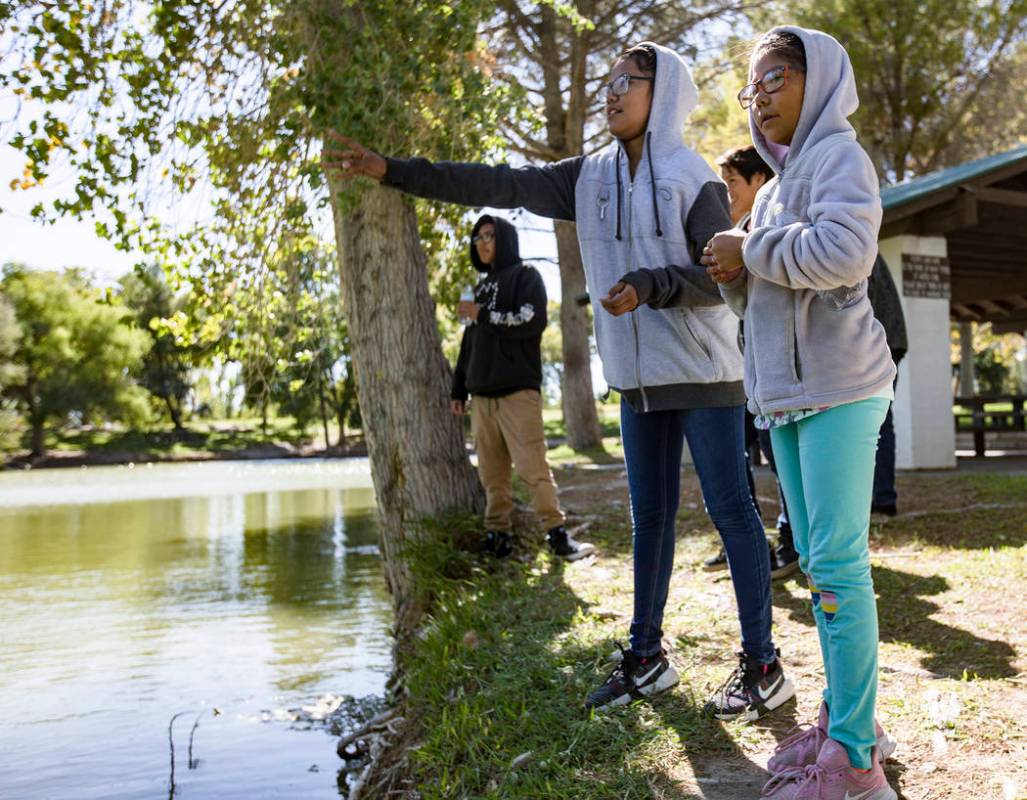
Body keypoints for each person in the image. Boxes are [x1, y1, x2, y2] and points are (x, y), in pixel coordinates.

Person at [323, 42, 794, 720]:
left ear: (660, 94)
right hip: (636, 383)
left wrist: (651, 284)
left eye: (625, 83)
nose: (610, 94)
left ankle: (761, 664)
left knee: (730, 515)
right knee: (650, 520)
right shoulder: (587, 176)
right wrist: (391, 170)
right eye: (606, 83)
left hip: (703, 373)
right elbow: (494, 182)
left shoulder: (693, 178)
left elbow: (721, 277)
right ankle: (646, 658)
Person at [698, 27, 898, 799]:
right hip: (787, 399)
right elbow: (769, 286)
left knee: (838, 566)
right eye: (751, 87)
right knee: (817, 563)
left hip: (843, 387)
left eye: (775, 76)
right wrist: (730, 268)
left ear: (819, 80)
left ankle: (854, 763)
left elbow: (844, 253)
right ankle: (851, 716)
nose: (760, 97)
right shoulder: (776, 184)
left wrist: (749, 249)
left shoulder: (839, 156)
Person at [450, 213, 594, 561]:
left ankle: (557, 534)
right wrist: (459, 388)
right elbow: (470, 342)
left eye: (488, 236)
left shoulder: (526, 276)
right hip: (482, 397)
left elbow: (531, 320)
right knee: (491, 475)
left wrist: (481, 314)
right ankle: (497, 536)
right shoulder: (480, 287)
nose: (481, 243)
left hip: (517, 392)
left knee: (533, 468)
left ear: (506, 238)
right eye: (477, 238)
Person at [700, 145, 798, 580]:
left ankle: (792, 543)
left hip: (775, 376)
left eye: (732, 184)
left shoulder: (769, 226)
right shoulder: (731, 233)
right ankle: (749, 541)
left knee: (780, 462)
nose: (725, 195)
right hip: (739, 372)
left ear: (759, 181)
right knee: (740, 460)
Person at [867, 254, 908, 517]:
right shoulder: (871, 249)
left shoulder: (857, 244)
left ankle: (882, 496)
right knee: (882, 420)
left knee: (877, 422)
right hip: (891, 340)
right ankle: (883, 495)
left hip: (877, 343)